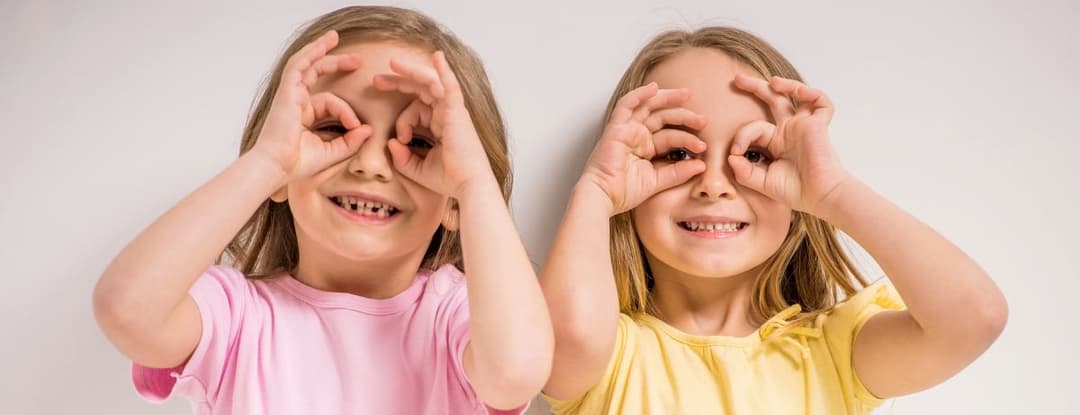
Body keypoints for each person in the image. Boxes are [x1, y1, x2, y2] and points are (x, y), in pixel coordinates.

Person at [92, 6, 551, 414]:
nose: (371, 165)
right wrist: (268, 162)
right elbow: (127, 310)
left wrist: (472, 184)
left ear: (453, 204)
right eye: (333, 127)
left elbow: (517, 372)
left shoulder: (457, 318)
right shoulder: (236, 317)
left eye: (419, 143)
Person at [540, 26, 1008, 414]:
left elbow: (974, 318)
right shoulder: (607, 355)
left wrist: (833, 193)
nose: (714, 184)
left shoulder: (834, 354)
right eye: (678, 152)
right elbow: (566, 340)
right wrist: (596, 191)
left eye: (756, 155)